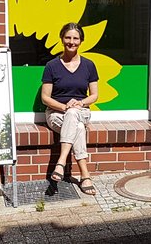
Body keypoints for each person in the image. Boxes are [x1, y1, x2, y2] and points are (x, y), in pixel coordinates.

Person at [40, 23, 99, 195]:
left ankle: (61, 161)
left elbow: (94, 95)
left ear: (81, 41)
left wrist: (80, 103)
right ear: (62, 39)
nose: (71, 42)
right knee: (78, 127)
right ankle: (85, 176)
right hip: (56, 113)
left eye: (75, 38)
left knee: (74, 114)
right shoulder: (52, 65)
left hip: (81, 111)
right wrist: (64, 106)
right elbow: (45, 98)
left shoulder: (89, 65)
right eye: (68, 37)